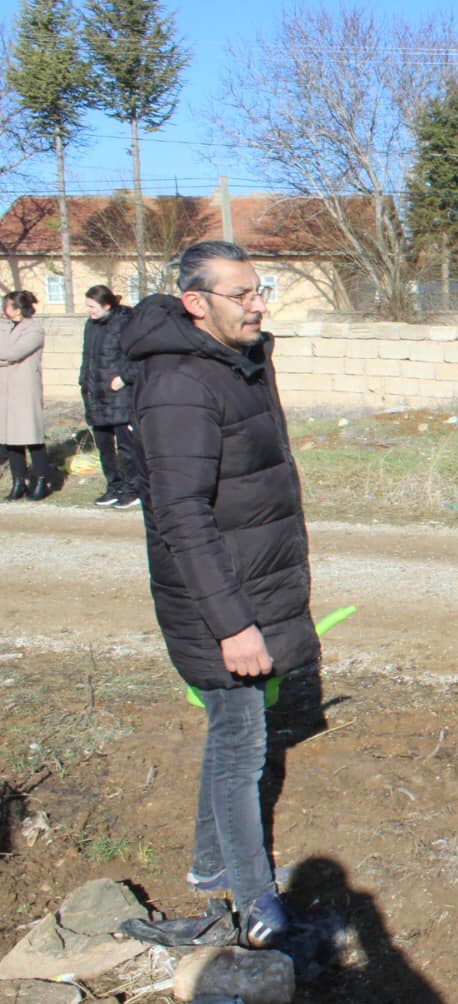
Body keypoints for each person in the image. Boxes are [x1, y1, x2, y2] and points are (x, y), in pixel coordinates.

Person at [125, 241, 317, 949]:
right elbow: (181, 515)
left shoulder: (238, 359)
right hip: (217, 600)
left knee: (229, 733)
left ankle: (212, 868)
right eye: (242, 294)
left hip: (249, 581)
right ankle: (256, 905)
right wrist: (234, 624)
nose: (258, 304)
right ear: (195, 304)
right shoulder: (178, 384)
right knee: (242, 744)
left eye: (260, 289)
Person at [80, 284, 143, 508]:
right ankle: (114, 485)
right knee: (104, 446)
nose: (89, 311)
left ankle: (134, 488)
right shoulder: (91, 325)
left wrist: (125, 377)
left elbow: (137, 356)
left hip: (119, 394)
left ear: (106, 305)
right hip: (95, 394)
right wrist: (84, 383)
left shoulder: (126, 322)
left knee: (127, 447)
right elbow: (87, 358)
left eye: (93, 306)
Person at [0, 291, 49, 501]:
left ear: (18, 309)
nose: (4, 309)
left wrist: (6, 357)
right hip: (5, 389)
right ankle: (18, 481)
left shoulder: (34, 329)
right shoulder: (3, 327)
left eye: (7, 305)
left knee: (32, 436)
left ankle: (40, 480)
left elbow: (14, 353)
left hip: (25, 389)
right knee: (10, 439)